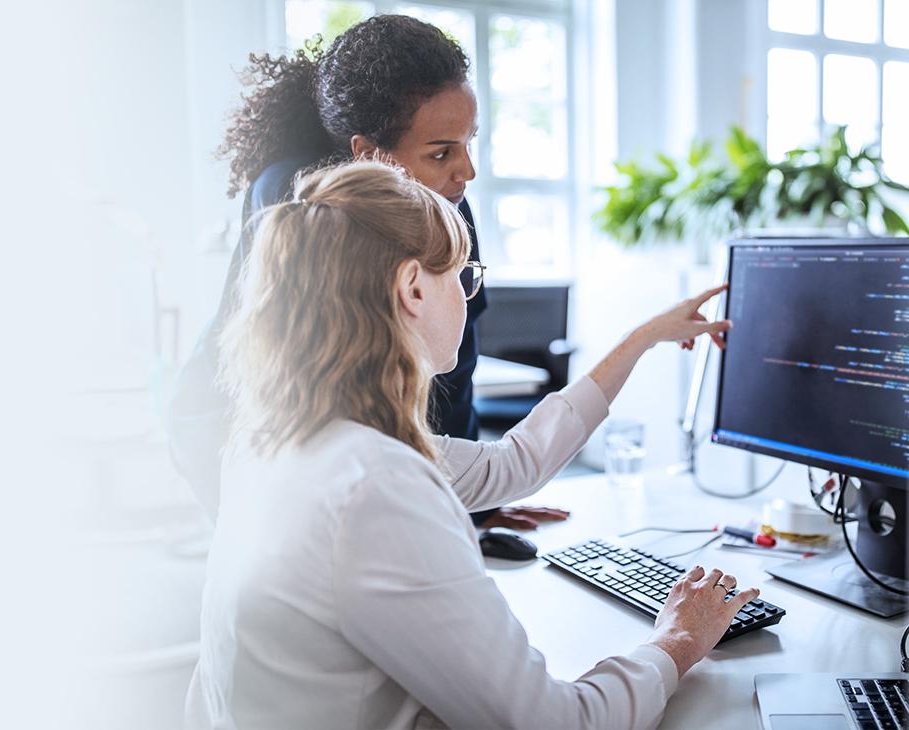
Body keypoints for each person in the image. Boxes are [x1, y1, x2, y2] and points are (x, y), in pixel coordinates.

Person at [184, 159, 754, 729]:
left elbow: (513, 463)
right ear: (412, 287)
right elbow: (553, 724)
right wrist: (678, 640)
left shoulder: (283, 437)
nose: (469, 298)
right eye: (463, 277)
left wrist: (641, 339)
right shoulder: (375, 487)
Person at [168, 14, 568, 537]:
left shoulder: (448, 205)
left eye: (469, 141)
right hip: (233, 430)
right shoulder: (294, 201)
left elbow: (454, 370)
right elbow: (310, 391)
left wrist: (471, 505)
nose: (466, 170)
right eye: (441, 151)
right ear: (369, 153)